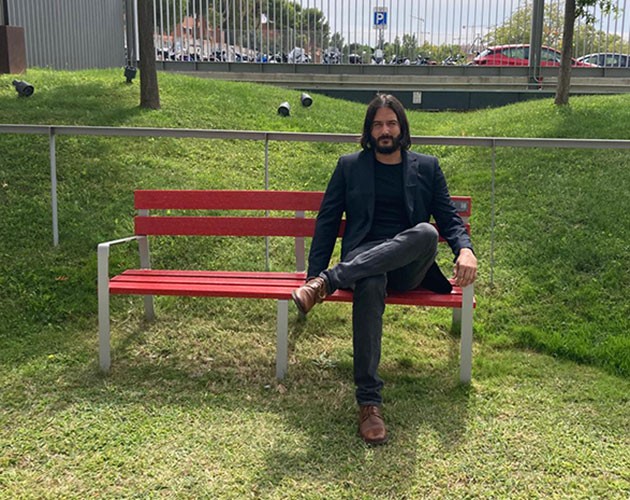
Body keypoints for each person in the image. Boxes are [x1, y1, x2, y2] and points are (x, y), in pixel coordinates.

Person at [291, 94, 477, 445]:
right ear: (369, 130)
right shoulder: (349, 166)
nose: (385, 130)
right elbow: (328, 220)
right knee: (371, 279)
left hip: (409, 269)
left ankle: (330, 281)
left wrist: (465, 249)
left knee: (425, 232)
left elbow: (448, 219)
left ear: (402, 127)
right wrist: (312, 272)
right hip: (365, 263)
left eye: (391, 123)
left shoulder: (427, 167)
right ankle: (369, 404)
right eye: (378, 124)